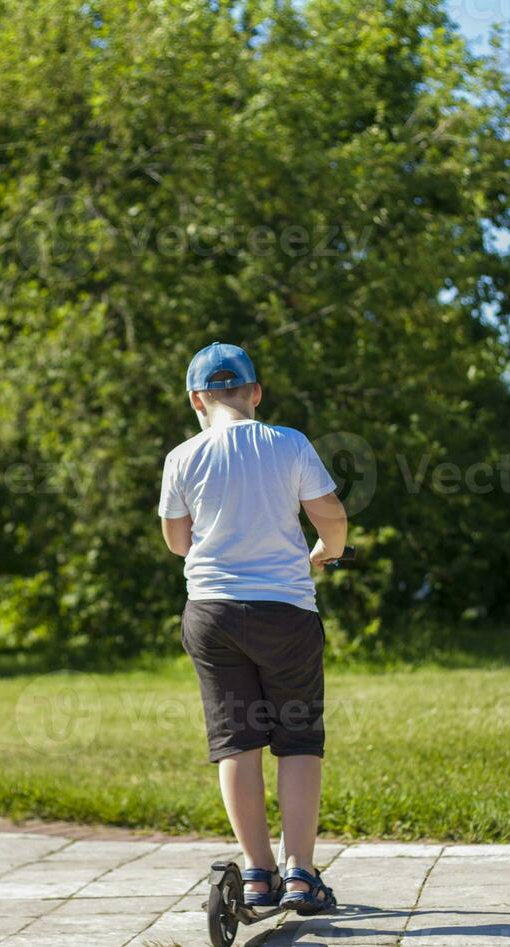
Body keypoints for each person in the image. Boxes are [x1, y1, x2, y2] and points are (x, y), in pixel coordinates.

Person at [158, 341, 347, 913]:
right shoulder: (288, 443)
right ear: (256, 393)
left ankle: (258, 875)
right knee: (296, 740)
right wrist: (328, 552)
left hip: (212, 614)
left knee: (237, 741)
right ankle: (301, 875)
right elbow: (331, 516)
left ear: (197, 399)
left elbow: (176, 541)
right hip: (285, 612)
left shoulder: (182, 456)